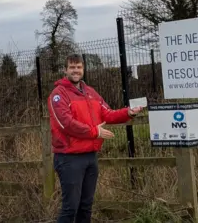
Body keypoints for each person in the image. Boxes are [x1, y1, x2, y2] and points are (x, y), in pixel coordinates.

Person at [48, 54, 143, 223]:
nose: (76, 70)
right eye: (72, 67)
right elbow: (66, 124)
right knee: (71, 208)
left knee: (86, 206)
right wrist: (94, 132)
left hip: (90, 156)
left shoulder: (91, 92)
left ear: (83, 69)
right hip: (69, 158)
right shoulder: (58, 94)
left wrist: (127, 112)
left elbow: (107, 113)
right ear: (65, 70)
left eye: (79, 67)